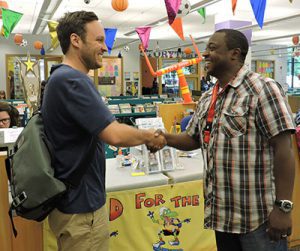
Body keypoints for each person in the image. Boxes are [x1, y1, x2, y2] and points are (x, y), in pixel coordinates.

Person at [160, 29, 295, 251]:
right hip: (222, 216)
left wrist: (283, 208)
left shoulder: (262, 89)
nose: (205, 54)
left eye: (212, 48)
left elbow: (284, 149)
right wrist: (162, 138)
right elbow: (192, 139)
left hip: (257, 218)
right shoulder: (208, 97)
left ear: (234, 54)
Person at [42, 11, 166, 251]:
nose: (105, 47)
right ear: (76, 40)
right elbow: (114, 135)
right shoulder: (72, 80)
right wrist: (152, 135)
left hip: (74, 201)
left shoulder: (60, 78)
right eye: (99, 40)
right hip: (81, 208)